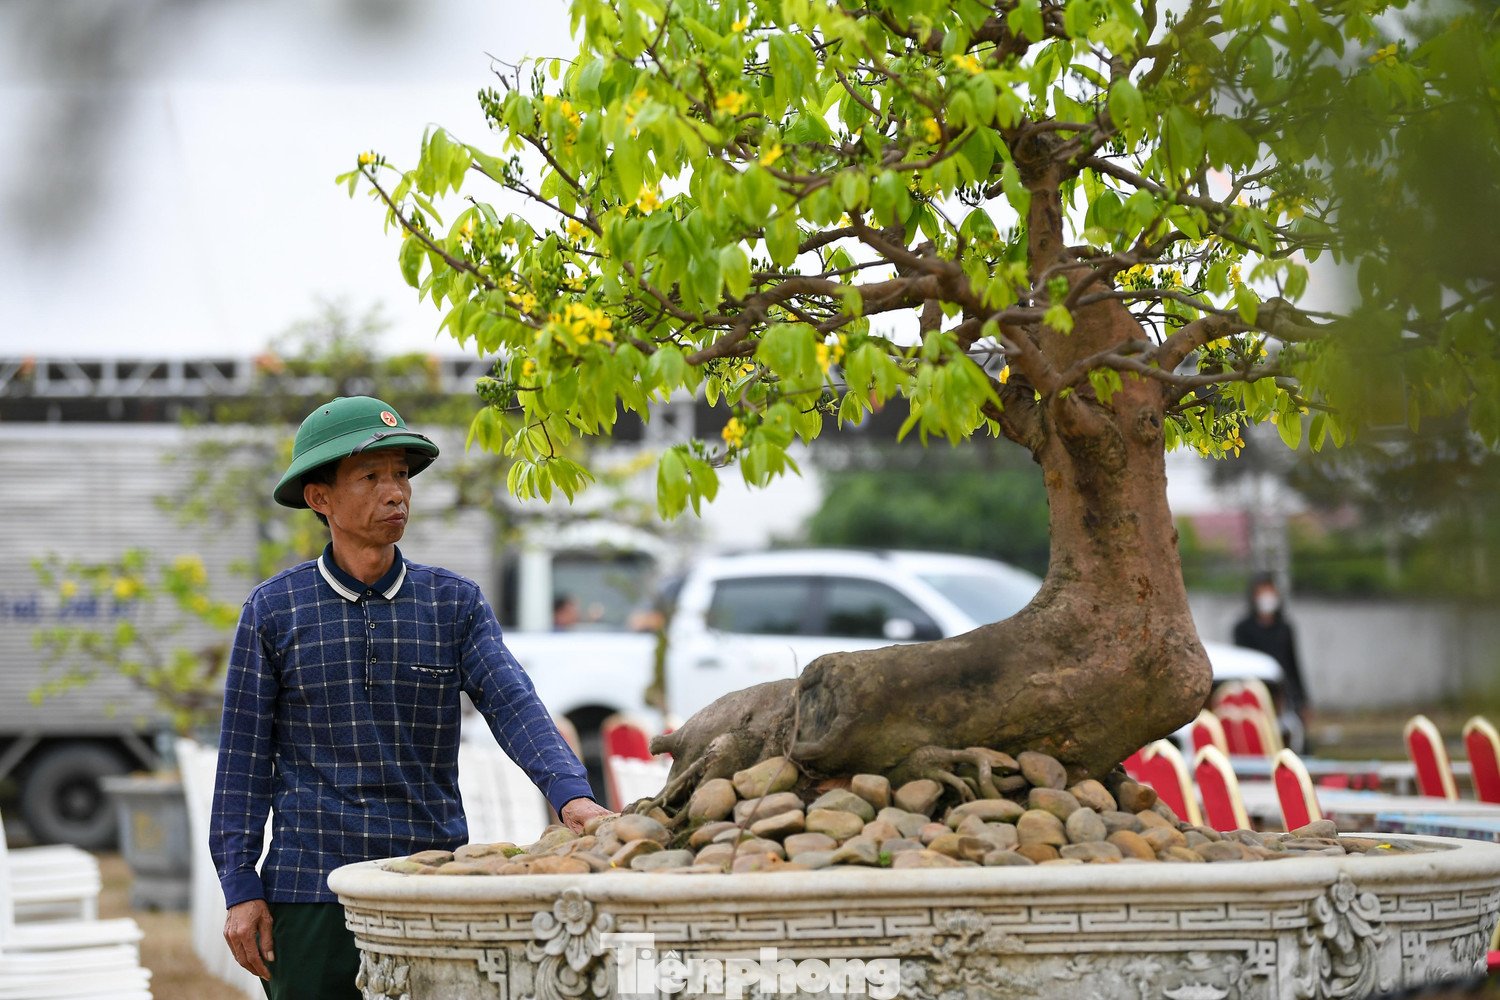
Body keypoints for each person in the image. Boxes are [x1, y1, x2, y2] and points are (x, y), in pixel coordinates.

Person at [209, 396, 612, 1000]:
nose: (395, 492)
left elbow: (513, 703)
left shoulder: (454, 603)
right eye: (370, 477)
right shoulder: (274, 610)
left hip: (427, 880)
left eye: (401, 474)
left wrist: (571, 795)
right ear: (319, 498)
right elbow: (243, 757)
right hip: (308, 888)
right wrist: (241, 886)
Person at [1232, 572, 1311, 746]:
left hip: (1284, 696)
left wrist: (1303, 700)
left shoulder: (1285, 629)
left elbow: (1293, 665)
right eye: (1262, 592)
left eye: (1270, 592)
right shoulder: (1242, 629)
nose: (1267, 598)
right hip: (1255, 695)